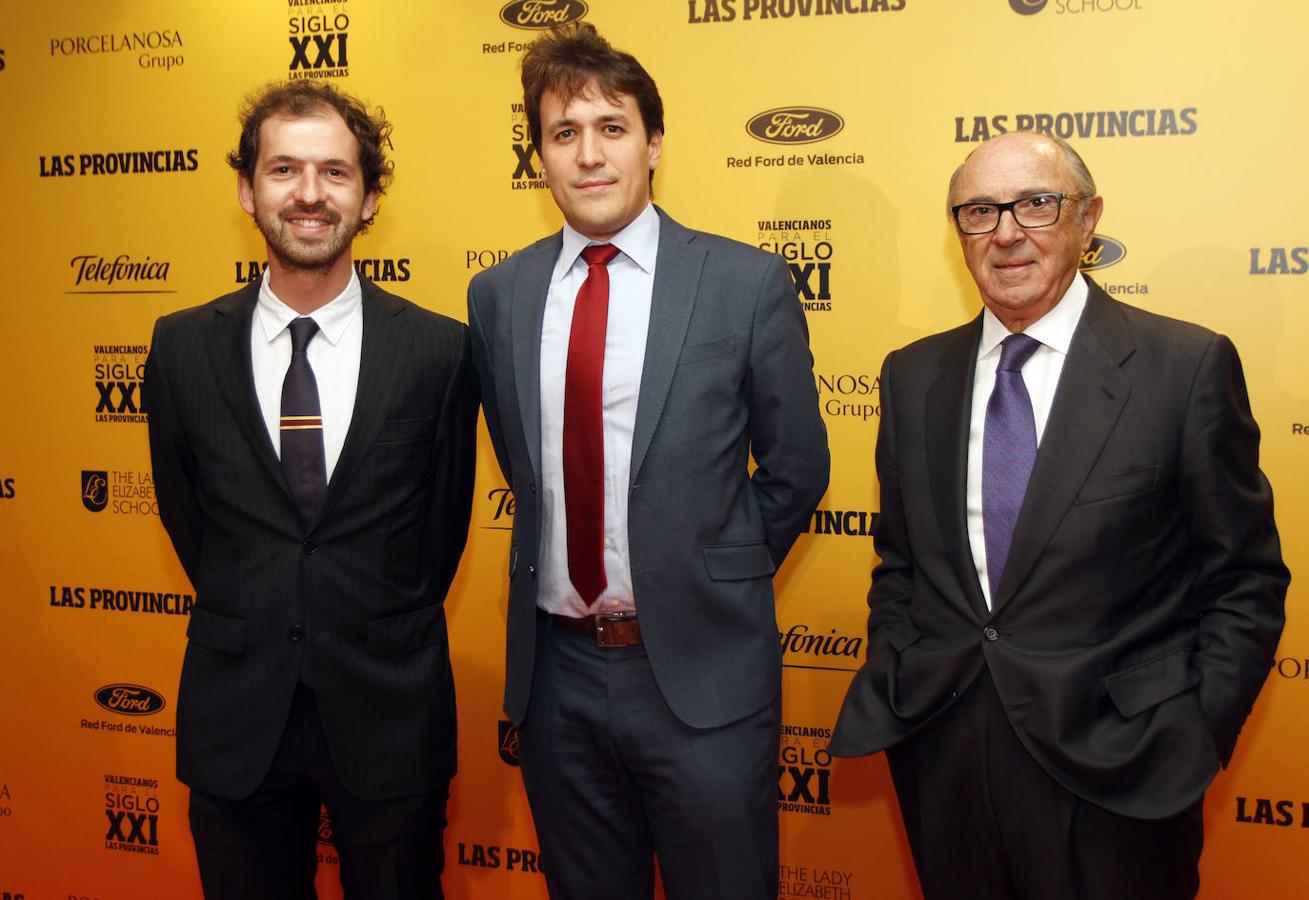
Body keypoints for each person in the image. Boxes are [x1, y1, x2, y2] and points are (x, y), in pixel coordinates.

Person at [830, 130, 1289, 900]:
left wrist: (1193, 735)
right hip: (944, 752)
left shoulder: (1183, 366)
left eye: (1035, 204)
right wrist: (902, 672)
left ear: (1087, 219)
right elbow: (901, 564)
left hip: (1122, 763)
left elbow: (1243, 578)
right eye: (978, 210)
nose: (1006, 231)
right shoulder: (912, 377)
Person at [467, 22, 829, 900]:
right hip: (556, 684)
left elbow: (796, 468)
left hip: (703, 678)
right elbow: (528, 469)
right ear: (539, 159)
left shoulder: (743, 283)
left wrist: (711, 576)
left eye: (612, 127)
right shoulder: (499, 295)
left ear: (653, 143)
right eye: (562, 134)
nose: (588, 155)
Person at [144, 80, 476, 899]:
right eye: (283, 169)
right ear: (246, 189)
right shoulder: (181, 347)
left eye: (334, 173)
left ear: (368, 199)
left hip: (389, 710)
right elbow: (189, 520)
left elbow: (441, 533)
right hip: (236, 711)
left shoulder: (439, 351)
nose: (308, 194)